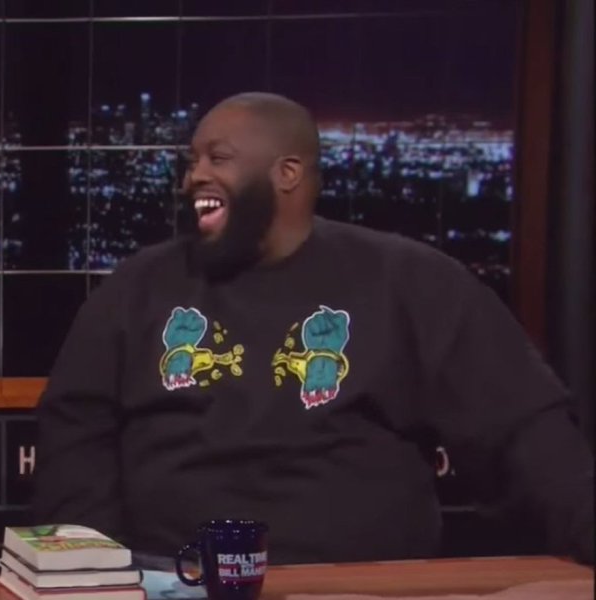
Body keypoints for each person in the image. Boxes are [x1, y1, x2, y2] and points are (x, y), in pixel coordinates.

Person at [31, 92, 594, 567]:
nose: (193, 176)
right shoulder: (138, 288)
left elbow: (523, 430)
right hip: (176, 582)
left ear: (288, 174)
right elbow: (76, 435)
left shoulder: (411, 281)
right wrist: (91, 577)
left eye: (218, 158)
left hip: (364, 586)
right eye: (193, 160)